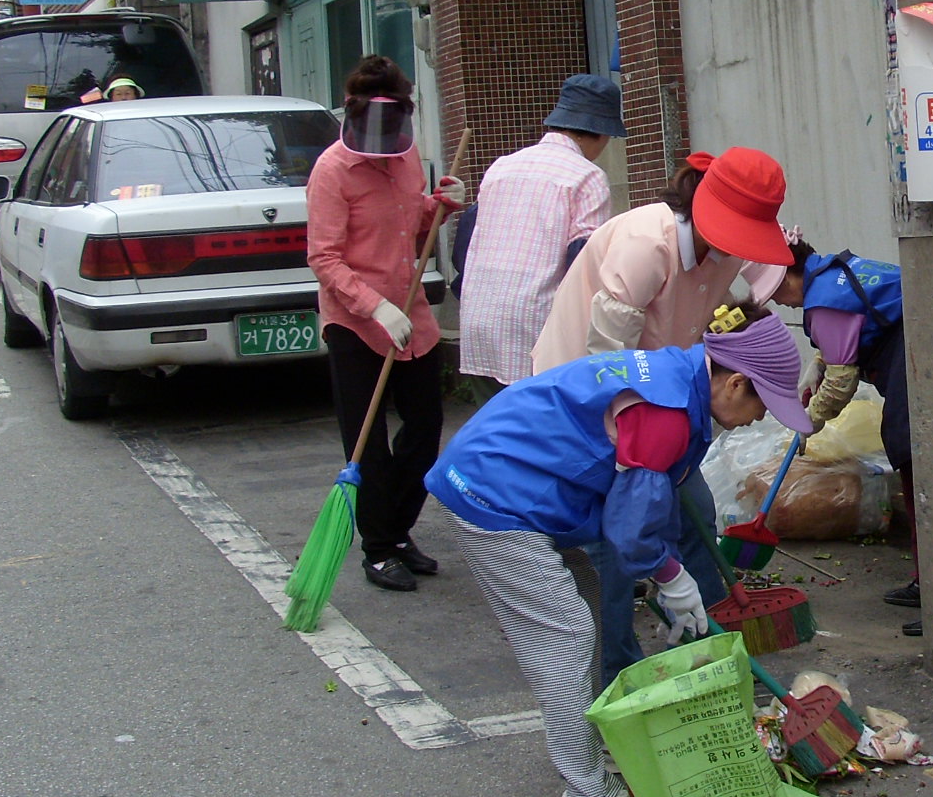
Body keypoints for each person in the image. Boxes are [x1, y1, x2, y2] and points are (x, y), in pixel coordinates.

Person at [425, 312, 814, 797]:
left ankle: (596, 751)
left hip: (524, 487)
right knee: (566, 640)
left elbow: (644, 509)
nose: (756, 420)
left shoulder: (677, 377)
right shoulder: (666, 413)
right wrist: (673, 578)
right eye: (760, 406)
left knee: (588, 617)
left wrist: (665, 573)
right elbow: (630, 534)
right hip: (495, 497)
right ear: (735, 383)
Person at [533, 147, 794, 684]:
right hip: (593, 395)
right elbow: (606, 363)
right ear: (704, 207)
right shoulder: (645, 245)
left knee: (693, 508)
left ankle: (716, 652)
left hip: (664, 398)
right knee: (613, 537)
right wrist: (637, 458)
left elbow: (770, 283)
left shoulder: (726, 248)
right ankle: (612, 674)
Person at [306, 56, 466, 593]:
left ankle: (397, 530)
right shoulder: (331, 171)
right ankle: (378, 547)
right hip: (357, 324)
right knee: (367, 442)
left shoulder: (405, 154)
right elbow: (324, 258)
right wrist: (373, 305)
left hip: (411, 317)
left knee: (423, 432)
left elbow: (412, 221)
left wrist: (441, 206)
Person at [771, 239, 920, 633]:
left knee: (915, 459)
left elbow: (840, 383)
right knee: (911, 457)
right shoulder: (831, 273)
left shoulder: (823, 301)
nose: (778, 300)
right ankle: (930, 582)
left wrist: (810, 421)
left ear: (791, 272)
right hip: (920, 342)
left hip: (920, 351)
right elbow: (845, 340)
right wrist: (816, 366)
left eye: (776, 290)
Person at [455, 75, 624, 401]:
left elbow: (463, 248)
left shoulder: (501, 166)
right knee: (539, 440)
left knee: (493, 436)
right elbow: (583, 263)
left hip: (480, 322)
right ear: (601, 133)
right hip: (535, 332)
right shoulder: (586, 176)